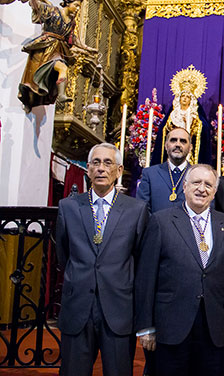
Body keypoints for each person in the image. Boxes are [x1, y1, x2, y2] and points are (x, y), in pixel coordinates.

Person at [56, 143, 149, 376]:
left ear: (118, 171)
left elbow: (140, 259)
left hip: (118, 310)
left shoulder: (136, 209)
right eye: (96, 163)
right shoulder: (68, 207)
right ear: (87, 169)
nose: (101, 168)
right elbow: (63, 254)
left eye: (108, 163)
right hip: (78, 306)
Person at [135, 164, 224, 375]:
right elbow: (146, 275)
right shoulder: (161, 221)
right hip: (171, 325)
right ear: (185, 187)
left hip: (213, 327)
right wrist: (146, 326)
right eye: (196, 182)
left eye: (208, 184)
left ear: (215, 191)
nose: (202, 189)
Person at [13, 0, 97, 112]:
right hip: (44, 48)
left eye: (79, 7)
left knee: (62, 68)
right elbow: (36, 6)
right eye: (76, 5)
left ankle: (61, 94)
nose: (78, 9)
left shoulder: (71, 22)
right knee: (32, 81)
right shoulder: (52, 11)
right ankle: (29, 100)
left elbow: (73, 38)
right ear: (68, 3)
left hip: (58, 50)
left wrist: (87, 48)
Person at [137, 127, 191, 213]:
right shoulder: (150, 174)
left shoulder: (199, 176)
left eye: (183, 141)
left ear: (190, 148)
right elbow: (142, 209)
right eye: (173, 140)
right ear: (166, 146)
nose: (178, 144)